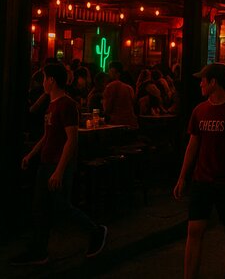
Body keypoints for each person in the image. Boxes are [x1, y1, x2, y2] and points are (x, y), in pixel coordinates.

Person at [12, 63, 108, 266]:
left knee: (62, 207)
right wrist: (31, 154)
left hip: (57, 164)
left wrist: (59, 170)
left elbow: (71, 140)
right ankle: (39, 249)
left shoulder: (66, 104)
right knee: (40, 207)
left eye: (44, 79)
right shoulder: (52, 104)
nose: (43, 83)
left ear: (52, 80)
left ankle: (96, 231)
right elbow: (47, 135)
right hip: (46, 162)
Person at [173, 63, 225, 279]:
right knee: (194, 230)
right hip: (202, 179)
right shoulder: (199, 110)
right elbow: (193, 145)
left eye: (203, 80)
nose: (200, 84)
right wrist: (182, 177)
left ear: (213, 82)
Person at [103, 61, 138, 129]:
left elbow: (107, 108)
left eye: (109, 70)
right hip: (131, 123)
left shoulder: (110, 87)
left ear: (114, 71)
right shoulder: (129, 87)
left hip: (116, 124)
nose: (108, 73)